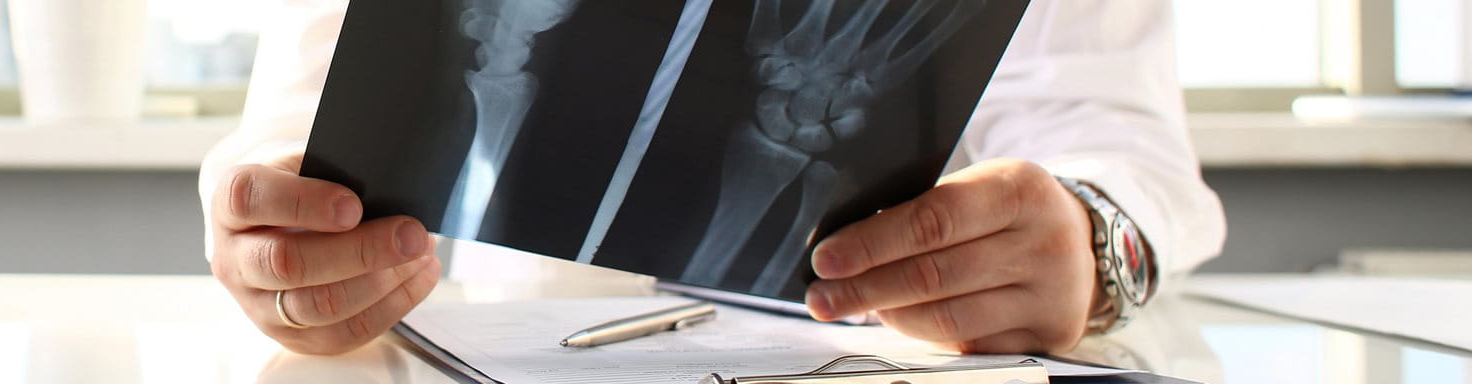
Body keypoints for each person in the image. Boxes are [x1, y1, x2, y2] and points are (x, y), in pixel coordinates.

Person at [199, 0, 1226, 356]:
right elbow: (298, 121)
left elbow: (1115, 145)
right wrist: (279, 236)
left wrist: (1091, 244)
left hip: (873, 358)